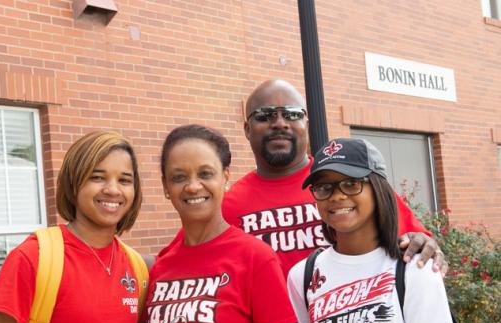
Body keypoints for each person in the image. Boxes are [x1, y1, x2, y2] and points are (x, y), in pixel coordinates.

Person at [161, 79, 443, 277]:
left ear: (306, 123)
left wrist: (423, 243)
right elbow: (170, 261)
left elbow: (415, 241)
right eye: (265, 115)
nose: (280, 123)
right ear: (247, 129)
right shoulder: (227, 204)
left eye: (292, 114)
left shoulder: (351, 184)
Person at [0, 132, 149, 323]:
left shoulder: (136, 267)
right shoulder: (33, 258)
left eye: (124, 180)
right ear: (73, 183)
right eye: (97, 177)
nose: (113, 189)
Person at [287, 138, 455, 323]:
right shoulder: (303, 275)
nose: (337, 195)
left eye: (351, 183)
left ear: (378, 188)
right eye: (324, 187)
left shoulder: (415, 270)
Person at [147, 124, 298, 323]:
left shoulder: (255, 258)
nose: (193, 186)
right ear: (165, 186)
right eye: (179, 177)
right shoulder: (160, 268)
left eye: (205, 174)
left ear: (225, 177)